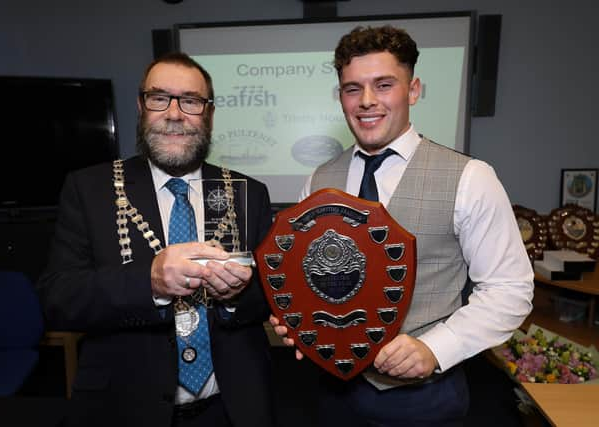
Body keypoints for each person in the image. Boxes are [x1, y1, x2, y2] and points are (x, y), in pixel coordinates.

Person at [270, 25, 534, 426]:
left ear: (413, 90)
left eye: (384, 84)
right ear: (340, 96)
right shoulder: (318, 181)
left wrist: (436, 348)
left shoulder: (470, 177)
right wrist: (296, 317)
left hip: (426, 401)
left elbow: (509, 289)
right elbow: (313, 281)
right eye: (352, 88)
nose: (367, 101)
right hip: (332, 393)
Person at [37, 52, 275, 427]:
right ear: (141, 106)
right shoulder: (89, 188)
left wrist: (236, 296)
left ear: (209, 113)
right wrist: (149, 280)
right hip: (125, 409)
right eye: (159, 98)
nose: (175, 114)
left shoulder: (248, 192)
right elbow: (58, 298)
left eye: (191, 101)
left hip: (233, 409)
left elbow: (274, 295)